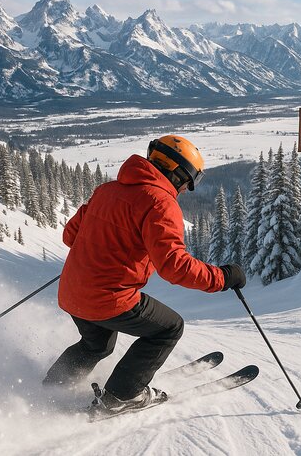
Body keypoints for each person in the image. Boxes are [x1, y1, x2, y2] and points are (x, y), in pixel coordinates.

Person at [43, 135, 246, 416]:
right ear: (176, 173)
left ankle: (49, 389)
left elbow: (70, 236)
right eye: (189, 180)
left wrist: (104, 249)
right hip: (107, 297)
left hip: (72, 291)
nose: (187, 189)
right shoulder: (160, 203)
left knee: (97, 345)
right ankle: (121, 397)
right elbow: (174, 266)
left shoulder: (107, 189)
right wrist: (222, 278)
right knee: (168, 328)